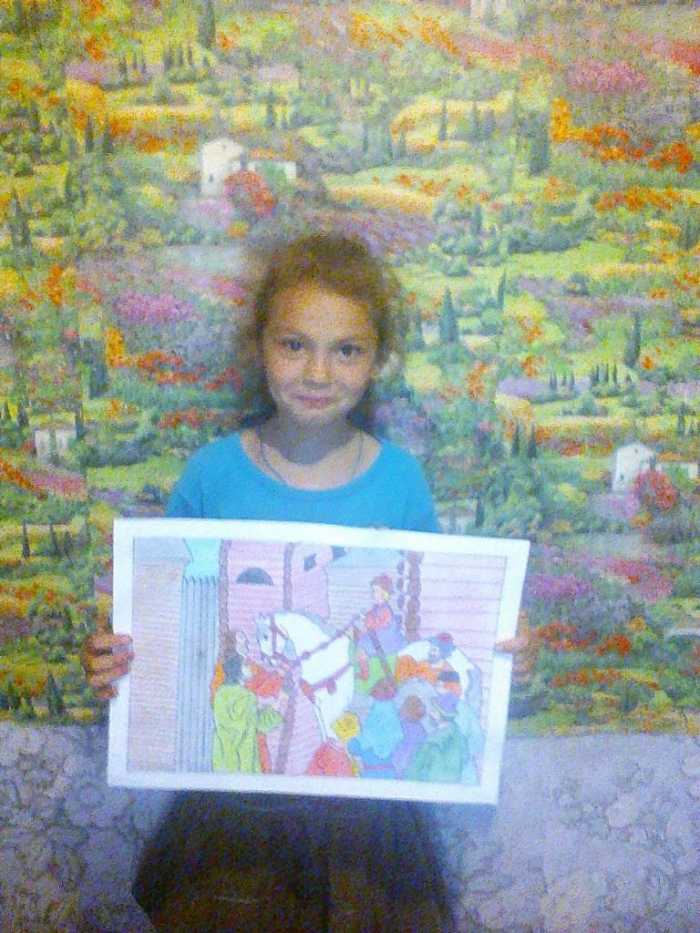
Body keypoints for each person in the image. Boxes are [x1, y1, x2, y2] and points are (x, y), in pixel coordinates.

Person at [82, 233, 452, 930]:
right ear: (260, 347)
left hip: (367, 825)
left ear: (378, 360)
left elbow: (428, 630)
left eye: (347, 349)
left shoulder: (401, 480)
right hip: (231, 820)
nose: (318, 370)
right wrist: (117, 659)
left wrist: (498, 652)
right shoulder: (212, 473)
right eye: (294, 344)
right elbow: (161, 622)